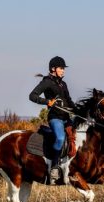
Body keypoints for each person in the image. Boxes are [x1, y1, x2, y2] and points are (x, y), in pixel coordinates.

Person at [29, 56, 76, 184]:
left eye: (63, 69)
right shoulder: (47, 82)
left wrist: (77, 110)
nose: (63, 71)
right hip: (55, 117)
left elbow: (69, 101)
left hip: (67, 118)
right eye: (61, 68)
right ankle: (54, 167)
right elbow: (32, 96)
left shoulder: (63, 83)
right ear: (53, 69)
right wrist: (46, 102)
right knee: (60, 138)